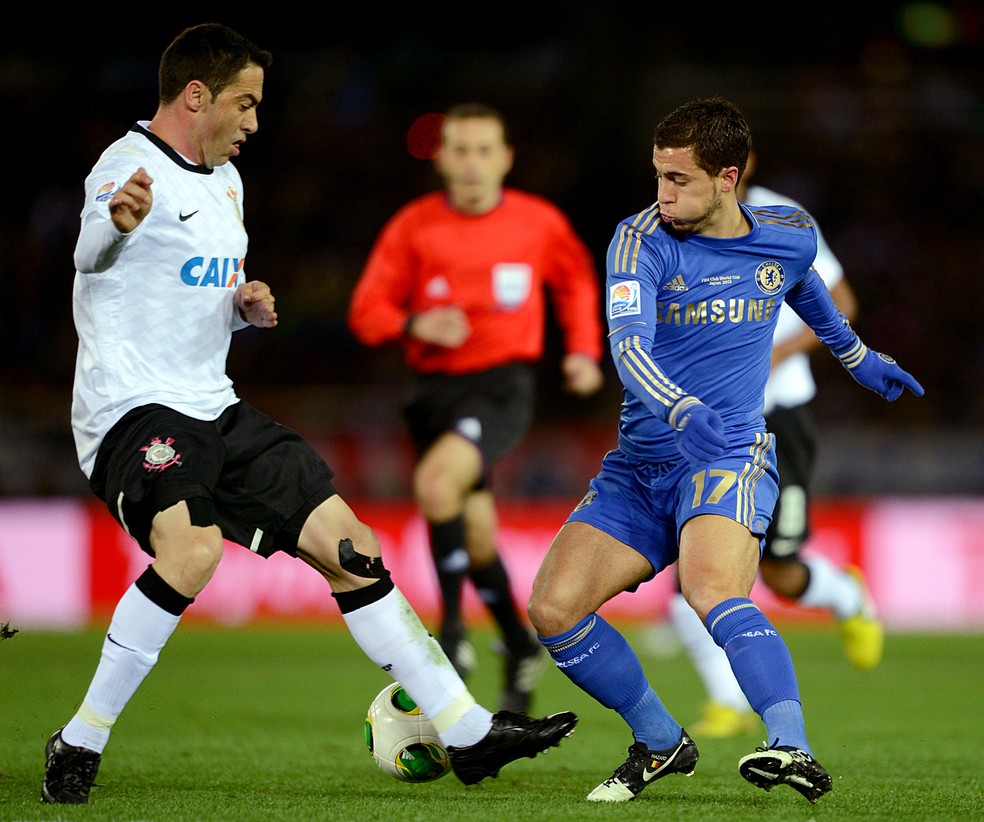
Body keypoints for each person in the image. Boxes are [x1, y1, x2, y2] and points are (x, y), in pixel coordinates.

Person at [42, 25, 577, 806]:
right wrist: (114, 225)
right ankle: (80, 739)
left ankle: (467, 734)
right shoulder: (127, 168)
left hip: (213, 406)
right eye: (246, 103)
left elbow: (181, 293)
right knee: (190, 555)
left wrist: (239, 307)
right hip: (132, 410)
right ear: (198, 96)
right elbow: (92, 254)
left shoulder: (227, 182)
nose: (256, 122)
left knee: (351, 548)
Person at [526, 97, 923, 805]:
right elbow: (628, 347)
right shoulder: (638, 241)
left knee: (711, 590)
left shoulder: (788, 233)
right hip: (641, 466)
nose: (662, 195)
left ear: (726, 178)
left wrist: (857, 356)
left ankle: (791, 747)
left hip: (729, 454)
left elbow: (804, 287)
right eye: (657, 176)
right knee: (554, 610)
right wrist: (678, 407)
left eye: (678, 180)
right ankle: (659, 741)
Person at [348, 102, 605, 714]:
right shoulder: (413, 227)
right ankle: (519, 647)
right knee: (480, 542)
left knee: (437, 485)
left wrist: (585, 351)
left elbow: (575, 280)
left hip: (502, 387)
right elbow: (365, 313)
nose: (471, 164)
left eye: (484, 150)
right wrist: (415, 321)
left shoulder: (538, 223)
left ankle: (452, 638)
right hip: (432, 395)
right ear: (440, 159)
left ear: (506, 158)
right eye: (459, 150)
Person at [662, 148, 882, 740]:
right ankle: (725, 702)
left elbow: (846, 303)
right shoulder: (666, 224)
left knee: (780, 570)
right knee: (694, 565)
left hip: (780, 419)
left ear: (742, 164)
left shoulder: (783, 220)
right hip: (709, 427)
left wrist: (776, 353)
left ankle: (846, 596)